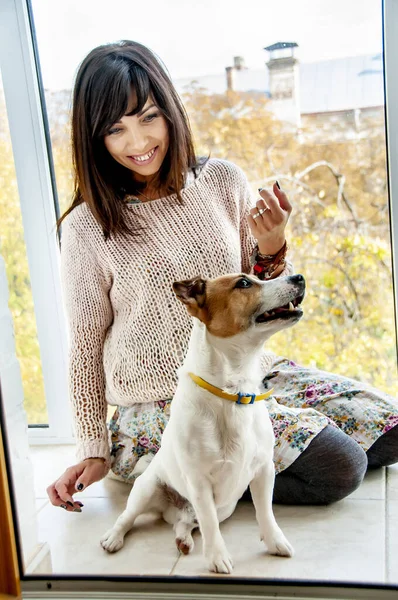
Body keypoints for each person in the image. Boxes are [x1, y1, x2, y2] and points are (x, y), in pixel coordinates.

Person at [47, 40, 398, 513]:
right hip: (166, 405)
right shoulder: (86, 228)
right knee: (341, 466)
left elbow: (260, 296)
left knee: (392, 431)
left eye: (149, 118)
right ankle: (173, 469)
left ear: (170, 111)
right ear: (95, 138)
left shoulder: (222, 181)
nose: (138, 143)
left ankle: (250, 450)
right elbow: (85, 345)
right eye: (116, 129)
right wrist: (92, 448)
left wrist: (272, 247)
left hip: (251, 373)